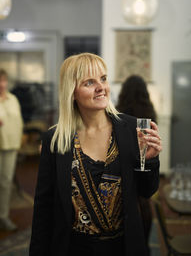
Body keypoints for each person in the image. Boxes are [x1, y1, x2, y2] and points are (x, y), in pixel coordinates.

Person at [29, 53, 162, 256]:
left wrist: (150, 160)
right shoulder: (55, 140)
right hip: (73, 248)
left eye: (103, 78)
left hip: (123, 247)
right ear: (72, 92)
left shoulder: (132, 129)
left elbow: (146, 191)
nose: (101, 87)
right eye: (89, 82)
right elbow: (43, 208)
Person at [116, 75, 158, 255]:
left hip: (122, 164)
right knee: (144, 202)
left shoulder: (118, 112)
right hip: (142, 162)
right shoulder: (149, 111)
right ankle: (144, 247)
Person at [0, 69, 23, 231]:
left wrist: (19, 143)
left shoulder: (13, 99)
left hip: (11, 146)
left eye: (4, 80)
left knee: (6, 183)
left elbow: (18, 122)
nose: (2, 84)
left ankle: (3, 216)